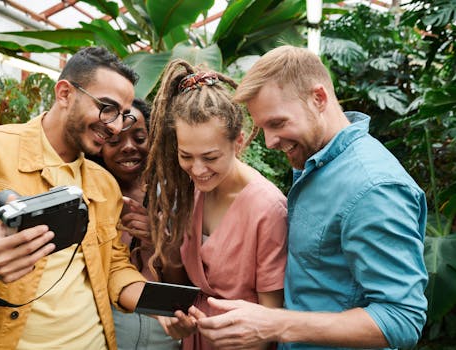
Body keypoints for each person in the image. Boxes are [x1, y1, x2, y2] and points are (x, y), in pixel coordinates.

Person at [187, 45, 429, 350]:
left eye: (277, 123)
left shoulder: (373, 188)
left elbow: (402, 318)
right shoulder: (317, 158)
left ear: (319, 99)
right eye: (262, 128)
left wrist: (275, 323)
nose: (271, 142)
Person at [0, 47, 147, 349]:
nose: (113, 126)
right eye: (106, 107)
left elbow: (112, 264)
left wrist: (160, 306)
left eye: (122, 116)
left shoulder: (104, 185)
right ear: (64, 93)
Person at [143, 59, 289, 350]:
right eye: (186, 156)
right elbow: (186, 285)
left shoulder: (268, 209)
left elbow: (271, 317)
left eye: (210, 157)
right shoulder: (191, 192)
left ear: (238, 142)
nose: (197, 170)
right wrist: (177, 321)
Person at [87, 98, 180, 349]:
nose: (128, 147)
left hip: (165, 331)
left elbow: (183, 280)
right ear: (98, 146)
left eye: (140, 138)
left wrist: (161, 242)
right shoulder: (88, 196)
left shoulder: (175, 196)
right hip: (105, 327)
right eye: (115, 141)